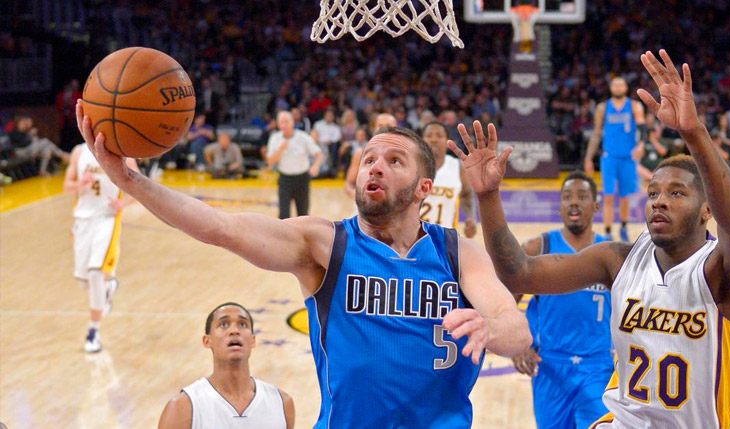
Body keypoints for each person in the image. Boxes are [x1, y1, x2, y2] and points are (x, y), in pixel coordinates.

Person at [76, 100, 530, 427]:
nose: (375, 167)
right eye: (369, 159)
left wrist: (489, 330)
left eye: (394, 161)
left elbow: (517, 330)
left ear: (423, 188)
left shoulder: (456, 252)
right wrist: (129, 180)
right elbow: (220, 227)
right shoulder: (324, 244)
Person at [452, 50, 730, 428]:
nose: (659, 201)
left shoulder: (724, 272)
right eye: (652, 193)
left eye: (676, 193)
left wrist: (693, 133)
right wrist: (488, 197)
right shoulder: (617, 259)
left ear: (706, 209)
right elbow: (520, 274)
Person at [510, 170, 613, 429]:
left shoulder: (611, 254)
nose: (573, 202)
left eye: (581, 196)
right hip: (550, 365)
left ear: (596, 206)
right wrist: (518, 345)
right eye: (567, 197)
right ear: (559, 207)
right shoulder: (537, 248)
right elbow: (506, 301)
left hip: (598, 367)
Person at [158, 302, 295, 429]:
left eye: (242, 324)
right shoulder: (182, 408)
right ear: (207, 341)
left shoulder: (282, 403)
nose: (234, 330)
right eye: (223, 324)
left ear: (253, 340)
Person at [63, 139, 138, 352]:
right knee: (84, 281)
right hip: (82, 220)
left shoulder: (121, 151)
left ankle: (93, 331)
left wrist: (122, 203)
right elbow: (66, 186)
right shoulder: (78, 152)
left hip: (107, 219)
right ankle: (108, 287)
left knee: (96, 272)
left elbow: (139, 185)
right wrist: (80, 184)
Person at [584, 77, 646, 242]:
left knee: (625, 196)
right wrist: (588, 158)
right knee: (608, 196)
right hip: (609, 157)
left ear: (626, 87)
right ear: (610, 88)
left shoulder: (634, 106)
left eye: (621, 84)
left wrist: (641, 145)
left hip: (628, 158)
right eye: (615, 85)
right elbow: (596, 133)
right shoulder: (603, 107)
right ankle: (608, 231)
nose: (618, 87)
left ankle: (624, 228)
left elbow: (642, 127)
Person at [418, 121, 477, 238]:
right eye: (429, 136)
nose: (434, 139)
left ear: (448, 141)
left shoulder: (458, 166)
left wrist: (471, 217)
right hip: (414, 240)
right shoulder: (412, 166)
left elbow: (466, 194)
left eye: (439, 136)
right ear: (422, 141)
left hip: (445, 239)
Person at [266, 111, 323, 219]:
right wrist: (280, 149)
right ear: (278, 124)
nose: (284, 125)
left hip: (302, 178)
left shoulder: (303, 137)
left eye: (286, 122)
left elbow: (319, 153)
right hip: (285, 179)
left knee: (303, 213)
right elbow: (270, 161)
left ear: (292, 122)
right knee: (283, 214)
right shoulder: (275, 138)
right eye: (281, 122)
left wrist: (315, 166)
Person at [344, 113, 397, 198]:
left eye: (388, 126)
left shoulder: (405, 154)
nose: (384, 129)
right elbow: (348, 185)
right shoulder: (360, 153)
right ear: (374, 129)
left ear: (397, 129)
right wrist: (361, 198)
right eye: (380, 125)